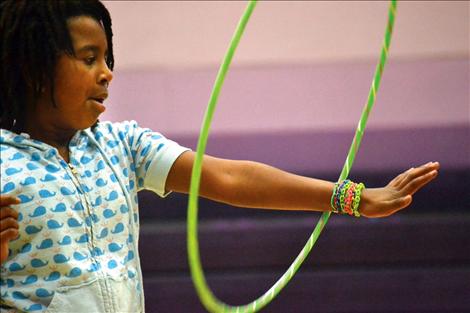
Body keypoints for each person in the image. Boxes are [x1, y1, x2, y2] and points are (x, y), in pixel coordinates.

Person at [0, 1, 440, 312]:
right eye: (88, 58)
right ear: (35, 68)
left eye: (107, 57)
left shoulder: (121, 145)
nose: (107, 72)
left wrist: (354, 199)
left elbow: (232, 179)